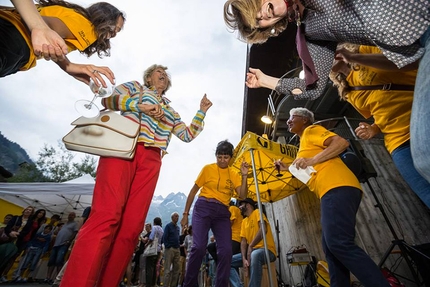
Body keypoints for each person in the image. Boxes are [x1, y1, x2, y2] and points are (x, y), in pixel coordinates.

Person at [223, 0, 430, 185]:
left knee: (423, 156)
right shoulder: (310, 32)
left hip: (419, 12)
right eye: (258, 21)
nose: (263, 16)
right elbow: (313, 88)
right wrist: (266, 81)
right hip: (417, 45)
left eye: (257, 7)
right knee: (423, 161)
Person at [61, 64, 212, 287]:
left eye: (166, 75)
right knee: (106, 215)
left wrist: (201, 111)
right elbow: (108, 100)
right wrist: (138, 106)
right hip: (123, 147)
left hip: (152, 158)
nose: (163, 75)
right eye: (158, 72)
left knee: (131, 229)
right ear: (149, 77)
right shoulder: (135, 88)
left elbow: (187, 135)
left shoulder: (171, 110)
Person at [275, 107, 390, 287]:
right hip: (332, 190)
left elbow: (341, 143)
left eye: (292, 117)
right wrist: (287, 167)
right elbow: (309, 167)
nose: (288, 121)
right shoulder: (304, 143)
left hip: (337, 186)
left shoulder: (311, 130)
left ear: (305, 120)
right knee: (331, 250)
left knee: (338, 243)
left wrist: (311, 161)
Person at [329, 44, 430, 208]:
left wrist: (353, 57)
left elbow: (406, 60)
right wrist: (373, 128)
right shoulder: (347, 91)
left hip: (421, 116)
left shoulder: (365, 49)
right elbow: (379, 111)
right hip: (397, 142)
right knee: (426, 193)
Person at [0, 0, 125, 87]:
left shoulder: (70, 13)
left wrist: (68, 66)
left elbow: (16, 12)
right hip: (13, 40)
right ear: (105, 18)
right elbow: (48, 27)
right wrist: (69, 65)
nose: (114, 33)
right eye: (115, 28)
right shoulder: (89, 28)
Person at [180, 140, 250, 287]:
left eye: (226, 157)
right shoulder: (207, 169)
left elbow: (243, 196)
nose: (222, 160)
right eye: (219, 156)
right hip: (203, 207)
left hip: (222, 213)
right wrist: (185, 214)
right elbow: (193, 191)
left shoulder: (234, 173)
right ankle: (189, 284)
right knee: (198, 247)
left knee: (226, 251)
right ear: (216, 156)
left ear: (231, 158)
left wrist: (244, 176)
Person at [229, 198, 276, 287]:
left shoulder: (257, 212)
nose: (239, 207)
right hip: (252, 252)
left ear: (248, 205)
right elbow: (243, 241)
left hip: (267, 250)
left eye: (241, 205)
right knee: (227, 261)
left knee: (255, 255)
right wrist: (243, 258)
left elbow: (263, 230)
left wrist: (251, 245)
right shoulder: (244, 222)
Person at [45, 212, 78, 285]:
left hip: (64, 244)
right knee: (51, 261)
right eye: (70, 215)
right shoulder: (64, 224)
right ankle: (48, 277)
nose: (70, 216)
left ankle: (57, 279)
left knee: (59, 261)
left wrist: (69, 241)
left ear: (75, 217)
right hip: (56, 244)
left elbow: (75, 232)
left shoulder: (74, 224)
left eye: (72, 215)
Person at [162, 212, 181, 287]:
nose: (177, 218)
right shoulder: (168, 226)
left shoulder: (178, 228)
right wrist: (168, 246)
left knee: (176, 269)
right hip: (170, 249)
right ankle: (166, 285)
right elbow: (165, 237)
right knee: (167, 269)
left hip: (177, 249)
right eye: (176, 216)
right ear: (172, 217)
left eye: (178, 216)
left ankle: (173, 285)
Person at [145, 217, 163, 287]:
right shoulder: (161, 229)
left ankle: (148, 284)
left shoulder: (154, 227)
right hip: (158, 249)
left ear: (154, 222)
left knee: (149, 267)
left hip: (152, 249)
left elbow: (151, 237)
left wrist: (147, 244)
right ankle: (153, 283)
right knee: (155, 267)